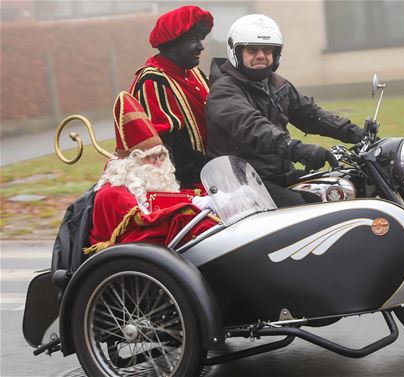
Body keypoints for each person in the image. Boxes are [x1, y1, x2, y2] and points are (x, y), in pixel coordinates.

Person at [205, 14, 364, 207]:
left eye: (267, 50)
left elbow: (311, 115)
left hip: (277, 175)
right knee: (302, 212)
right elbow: (253, 127)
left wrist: (356, 134)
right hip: (242, 183)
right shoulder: (224, 91)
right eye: (252, 50)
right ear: (236, 52)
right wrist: (297, 149)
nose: (261, 55)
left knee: (338, 189)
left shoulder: (275, 83)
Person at [85, 92, 217, 254]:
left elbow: (164, 201)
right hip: (129, 258)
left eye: (160, 155)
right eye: (149, 157)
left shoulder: (148, 182)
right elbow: (143, 223)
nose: (158, 162)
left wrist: (204, 198)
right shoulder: (112, 191)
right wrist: (191, 207)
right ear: (130, 163)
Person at [130, 5, 214, 187]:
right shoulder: (153, 80)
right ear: (172, 43)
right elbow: (170, 148)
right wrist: (213, 171)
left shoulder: (194, 73)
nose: (201, 46)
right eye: (193, 39)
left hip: (210, 173)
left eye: (201, 38)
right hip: (182, 183)